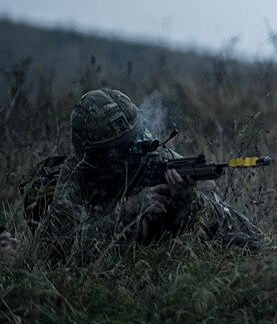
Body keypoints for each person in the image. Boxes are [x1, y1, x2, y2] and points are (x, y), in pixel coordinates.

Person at [20, 88, 263, 265]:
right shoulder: (72, 179)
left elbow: (234, 227)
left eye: (137, 138)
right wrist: (129, 212)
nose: (138, 148)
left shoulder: (158, 157)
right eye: (123, 148)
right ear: (95, 156)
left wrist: (185, 201)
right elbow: (57, 255)